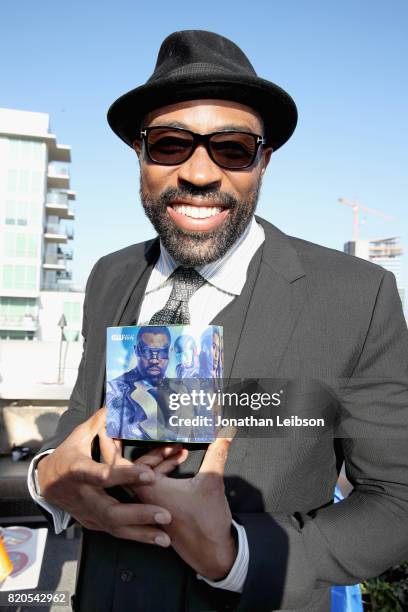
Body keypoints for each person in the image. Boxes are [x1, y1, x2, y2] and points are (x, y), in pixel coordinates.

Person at [28, 30, 408, 612]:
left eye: (232, 149)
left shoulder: (358, 295)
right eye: (171, 143)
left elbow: (396, 499)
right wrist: (48, 477)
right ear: (139, 153)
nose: (201, 174)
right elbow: (80, 425)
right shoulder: (109, 275)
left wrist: (237, 556)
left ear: (264, 161)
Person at [106, 326, 173, 440]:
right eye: (147, 351)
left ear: (170, 351)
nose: (154, 360)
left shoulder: (181, 391)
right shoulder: (115, 390)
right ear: (136, 350)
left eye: (162, 352)